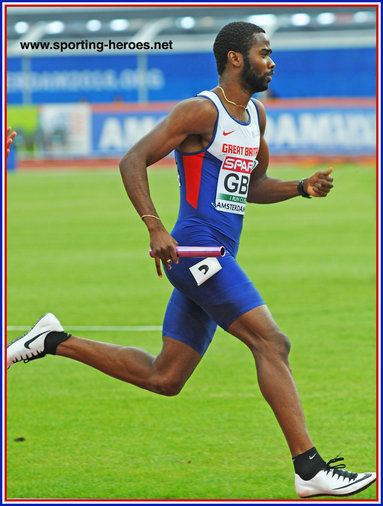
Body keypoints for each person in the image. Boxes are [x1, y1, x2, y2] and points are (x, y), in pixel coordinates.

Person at [7, 22, 375, 498]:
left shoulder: (256, 117)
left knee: (166, 377)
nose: (273, 61)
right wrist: (154, 225)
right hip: (196, 248)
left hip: (218, 254)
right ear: (236, 59)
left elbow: (253, 187)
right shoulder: (201, 111)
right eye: (265, 53)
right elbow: (132, 159)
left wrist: (300, 188)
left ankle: (52, 340)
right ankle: (309, 468)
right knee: (272, 343)